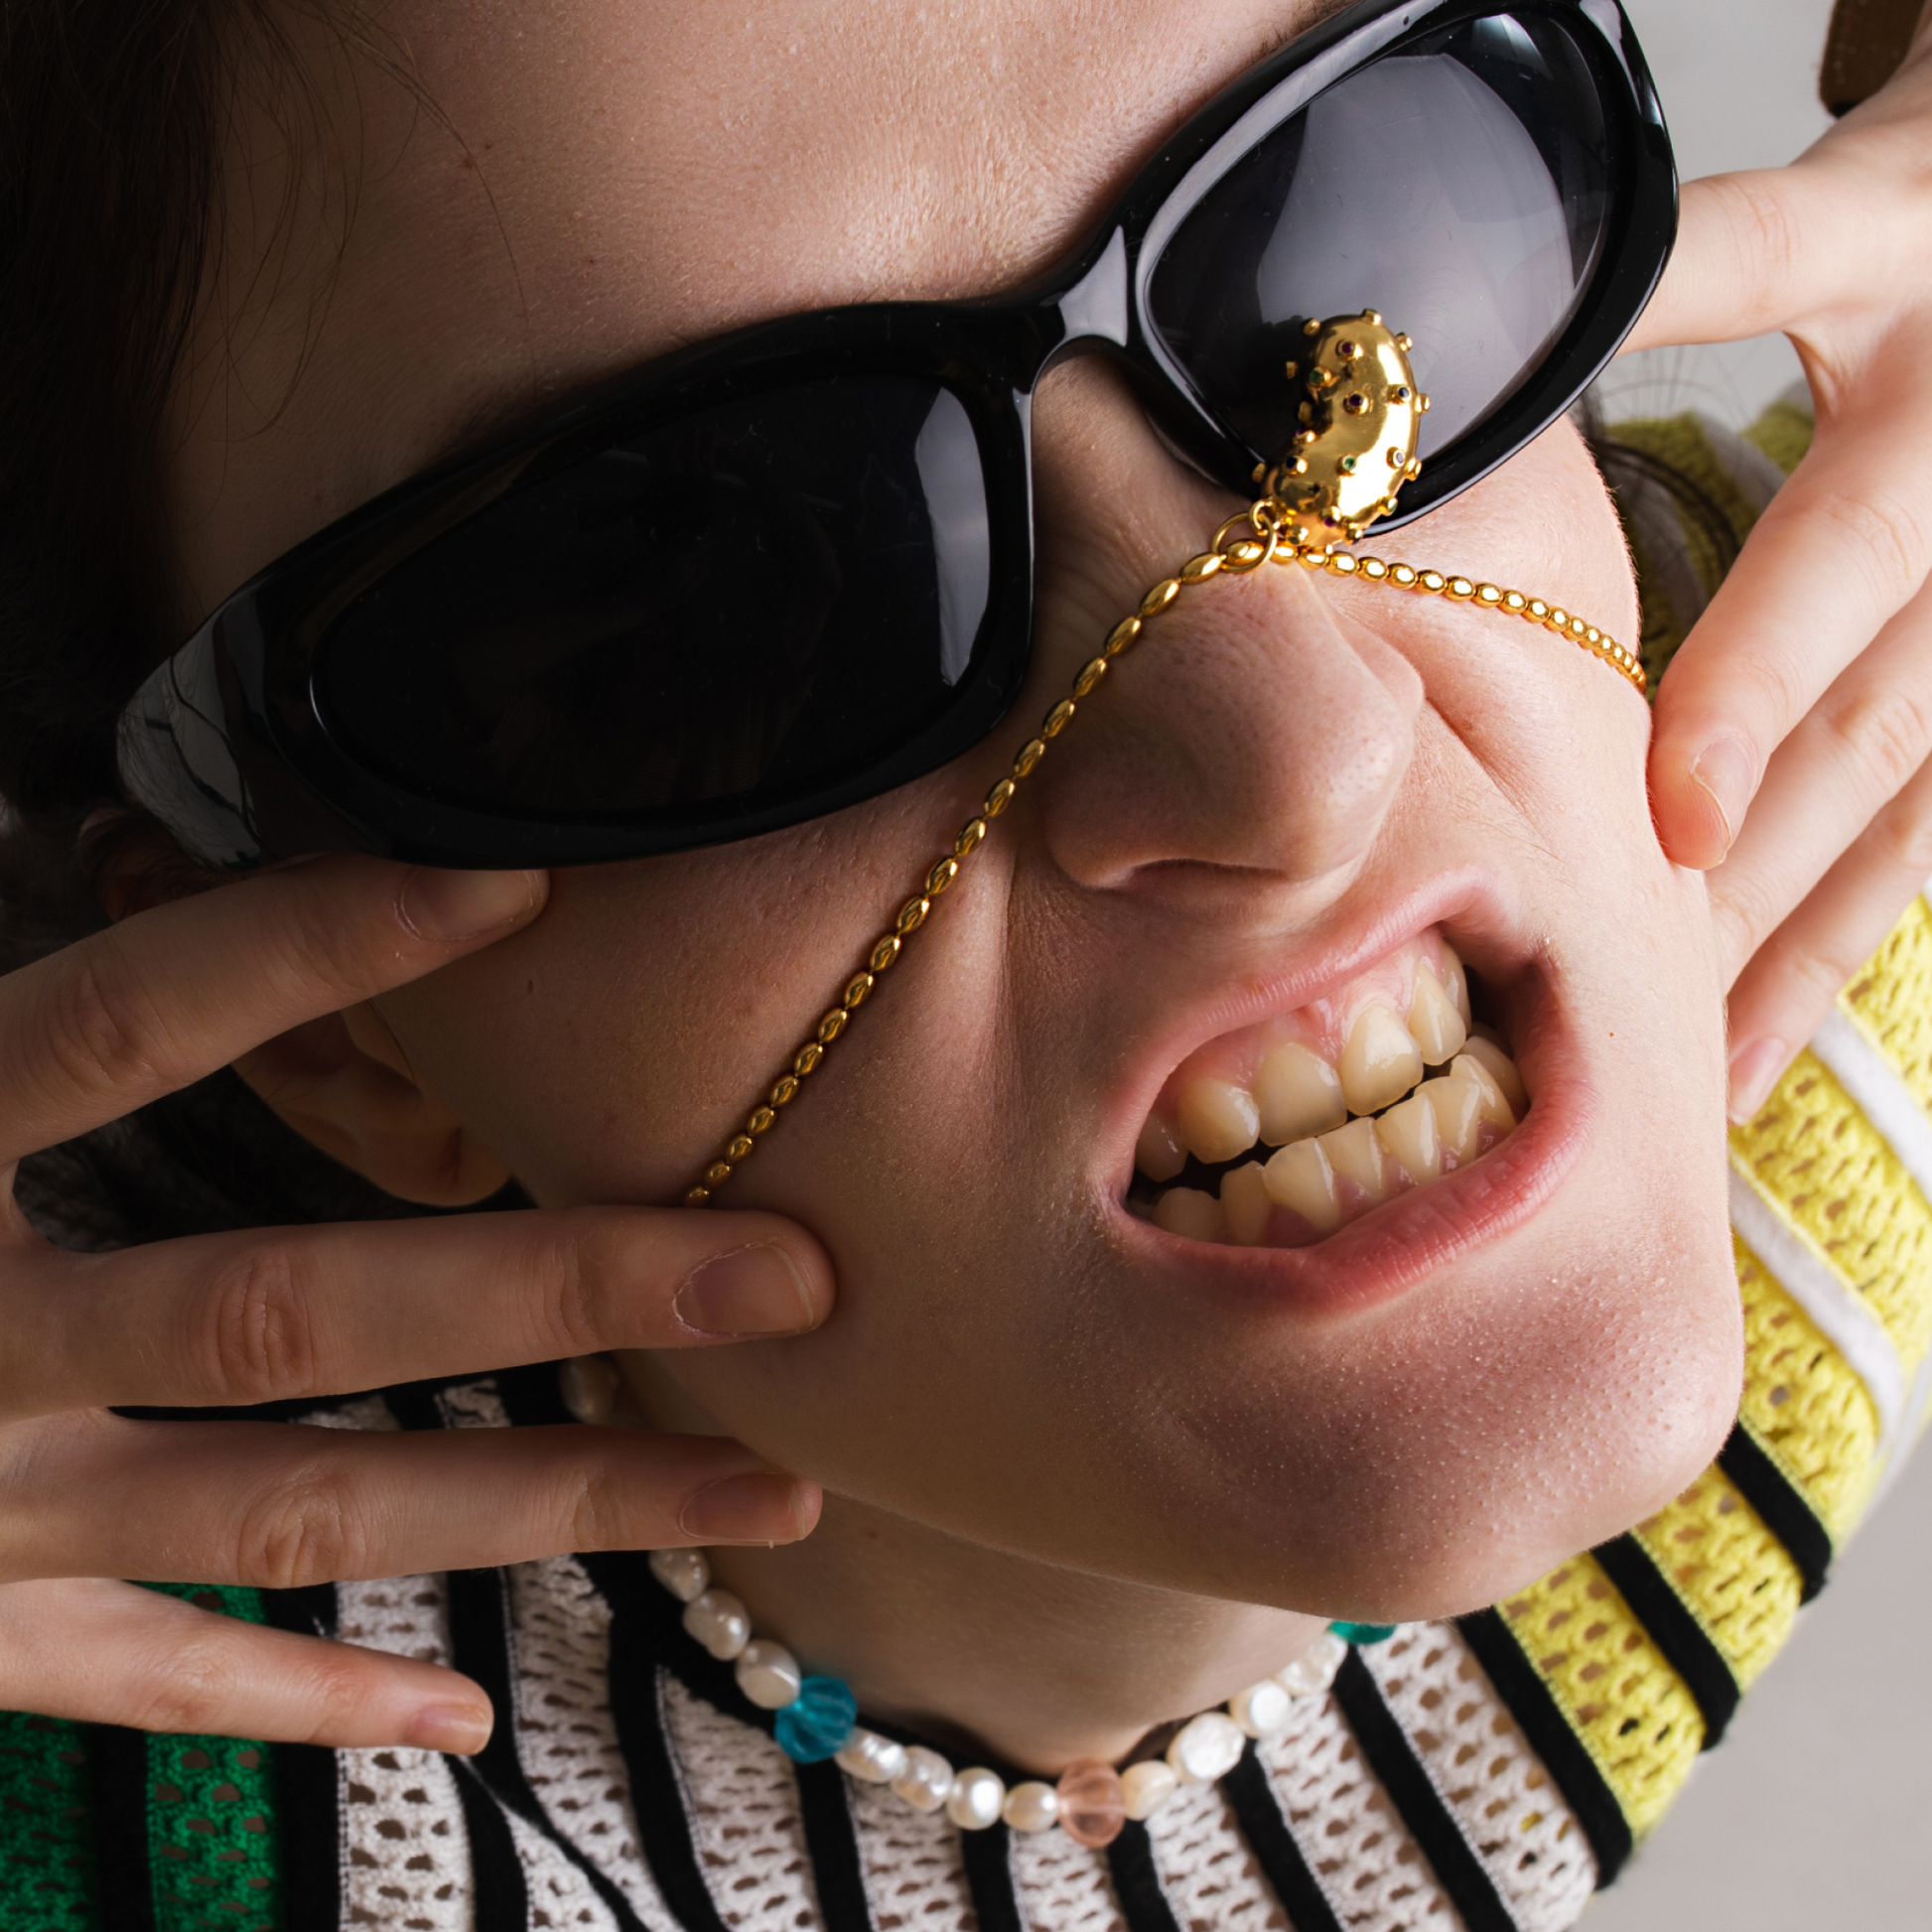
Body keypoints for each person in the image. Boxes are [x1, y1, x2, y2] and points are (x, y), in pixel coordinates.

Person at [1, 0, 1930, 1925]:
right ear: (344, 1035)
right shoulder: (154, 1782)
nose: (1297, 757)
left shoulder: (1830, 814)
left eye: (1352, 259)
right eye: (729, 607)